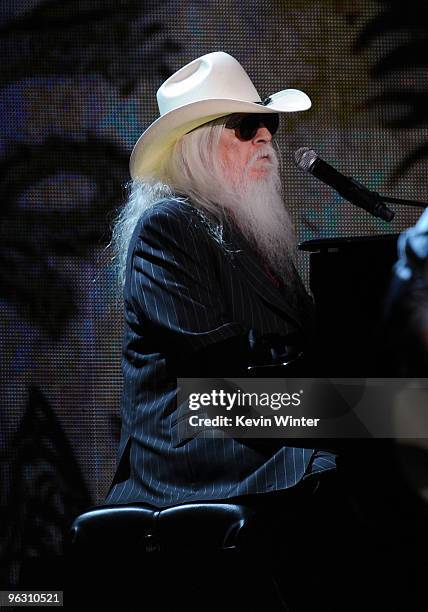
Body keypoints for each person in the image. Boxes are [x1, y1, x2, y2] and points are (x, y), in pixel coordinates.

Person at [104, 51, 338, 511]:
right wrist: (347, 402)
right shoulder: (166, 228)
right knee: (381, 437)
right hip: (203, 440)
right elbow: (219, 368)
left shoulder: (257, 239)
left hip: (260, 414)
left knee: (407, 417)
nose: (267, 137)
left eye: (270, 123)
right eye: (247, 128)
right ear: (198, 145)